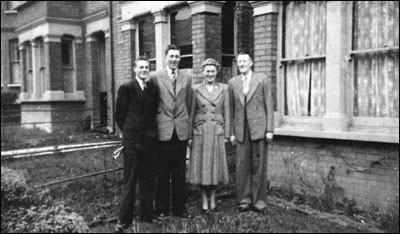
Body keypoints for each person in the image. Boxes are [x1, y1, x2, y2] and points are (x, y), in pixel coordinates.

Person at [114, 56, 159, 232]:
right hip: (133, 141)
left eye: (147, 67)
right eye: (141, 67)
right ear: (135, 69)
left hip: (148, 141)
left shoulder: (152, 88)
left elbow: (153, 111)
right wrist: (128, 132)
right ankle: (123, 219)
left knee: (148, 179)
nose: (144, 70)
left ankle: (147, 214)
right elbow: (119, 114)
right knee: (130, 180)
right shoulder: (127, 88)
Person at [150, 45, 193, 219]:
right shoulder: (155, 77)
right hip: (163, 130)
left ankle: (179, 208)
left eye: (177, 56)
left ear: (180, 58)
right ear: (166, 57)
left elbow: (189, 104)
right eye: (171, 56)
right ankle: (161, 208)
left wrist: (188, 131)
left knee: (179, 172)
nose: (174, 59)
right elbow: (152, 104)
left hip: (180, 131)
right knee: (162, 172)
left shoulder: (187, 77)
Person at [228, 52, 274, 213]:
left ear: (251, 63)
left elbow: (269, 105)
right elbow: (231, 110)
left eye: (244, 61)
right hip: (241, 129)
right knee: (242, 166)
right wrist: (232, 132)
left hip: (259, 129)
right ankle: (245, 200)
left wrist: (269, 129)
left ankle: (259, 201)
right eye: (239, 61)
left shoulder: (262, 79)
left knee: (259, 166)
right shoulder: (232, 83)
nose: (241, 64)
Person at [188, 58, 230, 212]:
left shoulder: (224, 89)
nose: (210, 74)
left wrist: (227, 134)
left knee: (214, 167)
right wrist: (190, 136)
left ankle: (213, 198)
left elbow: (227, 112)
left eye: (213, 71)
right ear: (203, 72)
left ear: (217, 72)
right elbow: (192, 111)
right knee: (202, 167)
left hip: (217, 131)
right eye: (208, 71)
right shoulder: (195, 89)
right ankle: (203, 199)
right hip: (201, 131)